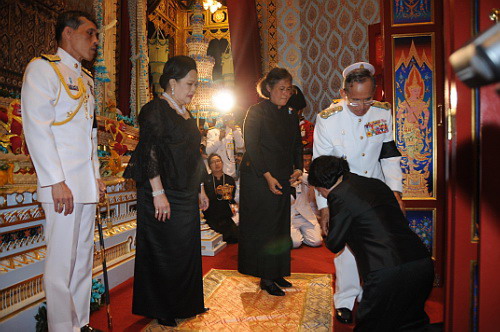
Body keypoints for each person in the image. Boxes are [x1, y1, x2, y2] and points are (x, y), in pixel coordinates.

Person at [21, 11, 105, 332]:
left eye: (97, 35)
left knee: (83, 260)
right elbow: (37, 128)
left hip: (82, 185)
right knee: (60, 265)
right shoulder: (43, 69)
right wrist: (55, 181)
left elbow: (90, 135)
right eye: (90, 33)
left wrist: (95, 176)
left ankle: (80, 324)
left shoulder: (85, 79)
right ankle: (60, 328)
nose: (95, 41)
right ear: (68, 34)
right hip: (61, 187)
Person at [313, 62, 404, 324]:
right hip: (344, 193)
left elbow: (388, 155)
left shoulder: (382, 114)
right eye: (354, 101)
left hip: (375, 190)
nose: (362, 107)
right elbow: (321, 167)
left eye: (367, 99)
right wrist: (324, 206)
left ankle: (369, 294)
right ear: (343, 93)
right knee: (348, 250)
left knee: (375, 245)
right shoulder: (328, 119)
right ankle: (344, 299)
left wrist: (396, 192)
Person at [123, 55, 209, 327]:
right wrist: (158, 193)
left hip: (185, 192)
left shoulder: (186, 113)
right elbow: (149, 153)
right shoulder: (154, 110)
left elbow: (194, 155)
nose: (193, 90)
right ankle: (162, 307)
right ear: (172, 82)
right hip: (161, 192)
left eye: (195, 85)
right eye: (190, 84)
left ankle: (187, 302)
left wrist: (201, 189)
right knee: (164, 250)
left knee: (186, 251)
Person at [308, 155, 433, 331]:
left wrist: (327, 228)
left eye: (319, 192)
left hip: (386, 272)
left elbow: (335, 244)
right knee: (411, 323)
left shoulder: (339, 195)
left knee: (370, 326)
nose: (321, 195)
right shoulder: (376, 184)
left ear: (323, 185)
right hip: (421, 262)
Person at [238, 67, 303, 296]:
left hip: (282, 175)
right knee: (265, 226)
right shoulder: (256, 111)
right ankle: (265, 278)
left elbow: (296, 144)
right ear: (268, 89)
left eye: (289, 89)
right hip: (258, 176)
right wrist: (267, 175)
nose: (286, 94)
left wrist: (298, 168)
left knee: (280, 225)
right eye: (281, 89)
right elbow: (252, 146)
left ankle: (277, 271)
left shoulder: (290, 114)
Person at [203, 153, 238, 243]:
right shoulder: (205, 180)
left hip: (226, 217)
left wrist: (229, 197)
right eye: (213, 162)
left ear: (222, 163)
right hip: (211, 217)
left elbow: (232, 199)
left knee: (235, 239)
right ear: (210, 166)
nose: (216, 164)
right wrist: (217, 193)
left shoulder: (229, 179)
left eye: (218, 161)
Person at [290, 149, 322, 248]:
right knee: (295, 243)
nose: (307, 163)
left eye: (309, 161)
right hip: (290, 217)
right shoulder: (282, 173)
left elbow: (313, 181)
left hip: (305, 216)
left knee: (317, 241)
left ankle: (300, 234)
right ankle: (296, 235)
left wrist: (299, 175)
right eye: (304, 160)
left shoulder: (305, 175)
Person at [206, 113, 244, 178]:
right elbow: (208, 151)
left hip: (230, 171)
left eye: (229, 118)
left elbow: (241, 145)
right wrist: (219, 139)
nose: (225, 120)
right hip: (216, 172)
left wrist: (233, 128)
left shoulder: (235, 130)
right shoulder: (212, 131)